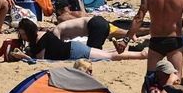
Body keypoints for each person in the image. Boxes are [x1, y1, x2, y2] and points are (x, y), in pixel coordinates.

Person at [14, 19, 145, 62]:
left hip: (74, 51)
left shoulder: (41, 38)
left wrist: (23, 56)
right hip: (74, 48)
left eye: (23, 34)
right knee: (106, 53)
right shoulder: (41, 35)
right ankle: (135, 50)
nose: (23, 37)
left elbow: (41, 61)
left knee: (110, 56)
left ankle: (141, 55)